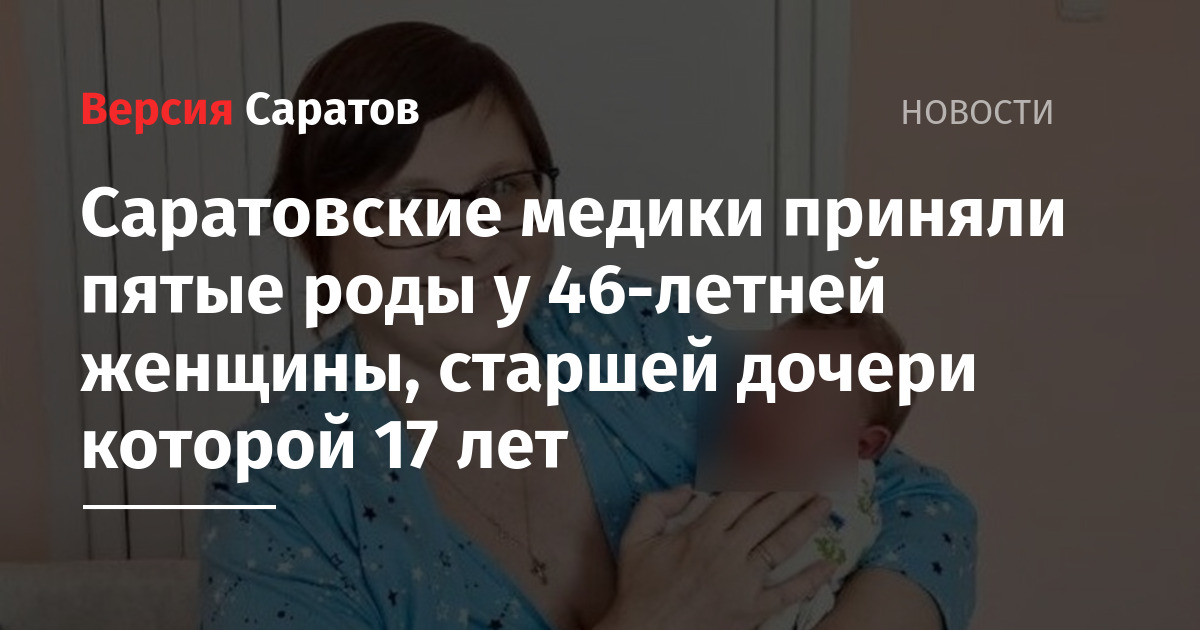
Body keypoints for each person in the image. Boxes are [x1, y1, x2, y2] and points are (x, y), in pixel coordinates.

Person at [200, 22, 976, 630]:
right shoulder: (279, 496)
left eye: (502, 187)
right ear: (314, 237)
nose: (473, 239)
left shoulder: (628, 333)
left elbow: (918, 502)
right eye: (409, 207)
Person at [667, 312, 915, 630]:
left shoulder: (837, 508)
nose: (757, 412)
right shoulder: (739, 470)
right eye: (750, 389)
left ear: (862, 445)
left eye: (791, 403)